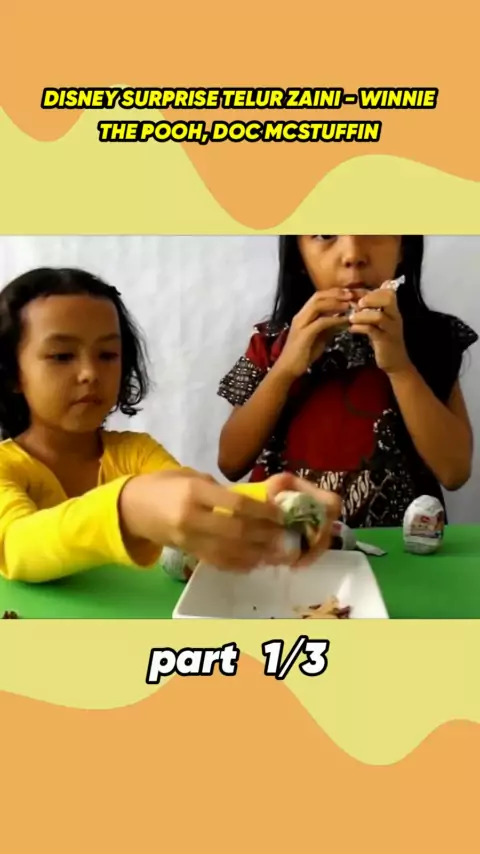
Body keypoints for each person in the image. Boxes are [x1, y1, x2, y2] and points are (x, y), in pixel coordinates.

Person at [0, 267, 339, 584]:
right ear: (13, 373)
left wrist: (275, 498)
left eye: (107, 355)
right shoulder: (6, 467)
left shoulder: (136, 453)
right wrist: (127, 507)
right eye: (61, 356)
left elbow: (197, 506)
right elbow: (17, 547)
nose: (90, 372)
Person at [217, 236, 477, 528]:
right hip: (287, 543)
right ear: (298, 256)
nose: (353, 255)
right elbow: (230, 463)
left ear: (404, 247)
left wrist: (400, 367)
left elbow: (455, 472)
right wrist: (285, 367)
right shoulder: (270, 342)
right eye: (325, 234)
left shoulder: (433, 339)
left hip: (401, 548)